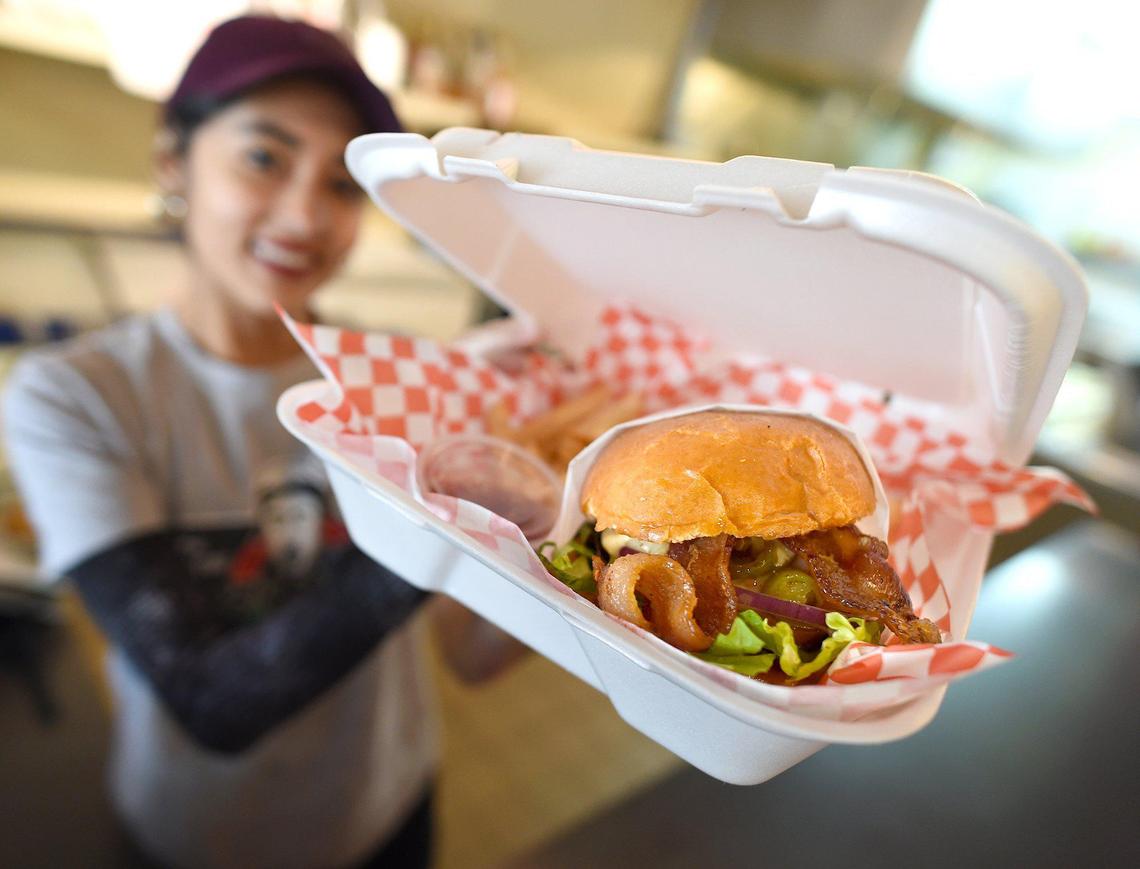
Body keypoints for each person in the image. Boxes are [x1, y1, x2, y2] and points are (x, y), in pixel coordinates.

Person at [3, 15, 522, 869]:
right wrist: (447, 505)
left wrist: (569, 526)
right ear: (173, 163)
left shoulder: (393, 377)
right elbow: (212, 699)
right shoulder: (78, 396)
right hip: (199, 836)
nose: (305, 216)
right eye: (263, 158)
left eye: (342, 184)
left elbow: (472, 653)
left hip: (390, 802)